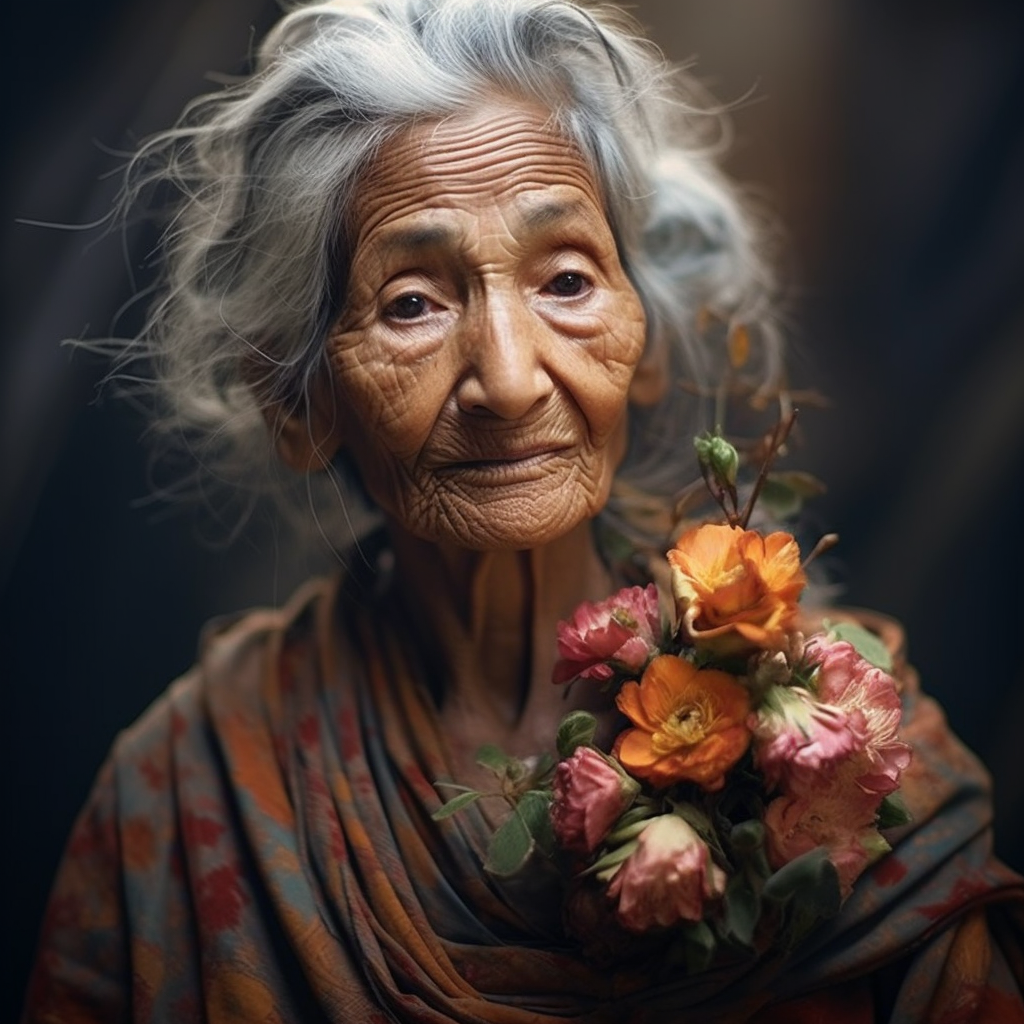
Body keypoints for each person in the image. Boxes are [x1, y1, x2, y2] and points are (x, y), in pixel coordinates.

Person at [23, 1, 1024, 1021]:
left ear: (648, 342)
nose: (507, 380)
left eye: (566, 279)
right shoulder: (186, 791)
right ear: (299, 403)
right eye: (411, 302)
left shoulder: (846, 746)